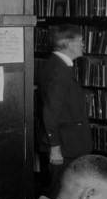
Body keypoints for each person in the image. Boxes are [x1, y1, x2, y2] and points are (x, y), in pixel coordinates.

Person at [38, 24, 92, 189]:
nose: (83, 45)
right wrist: (54, 146)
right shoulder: (59, 71)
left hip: (68, 143)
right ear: (68, 43)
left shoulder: (57, 65)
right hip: (65, 147)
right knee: (62, 193)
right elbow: (50, 112)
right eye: (80, 41)